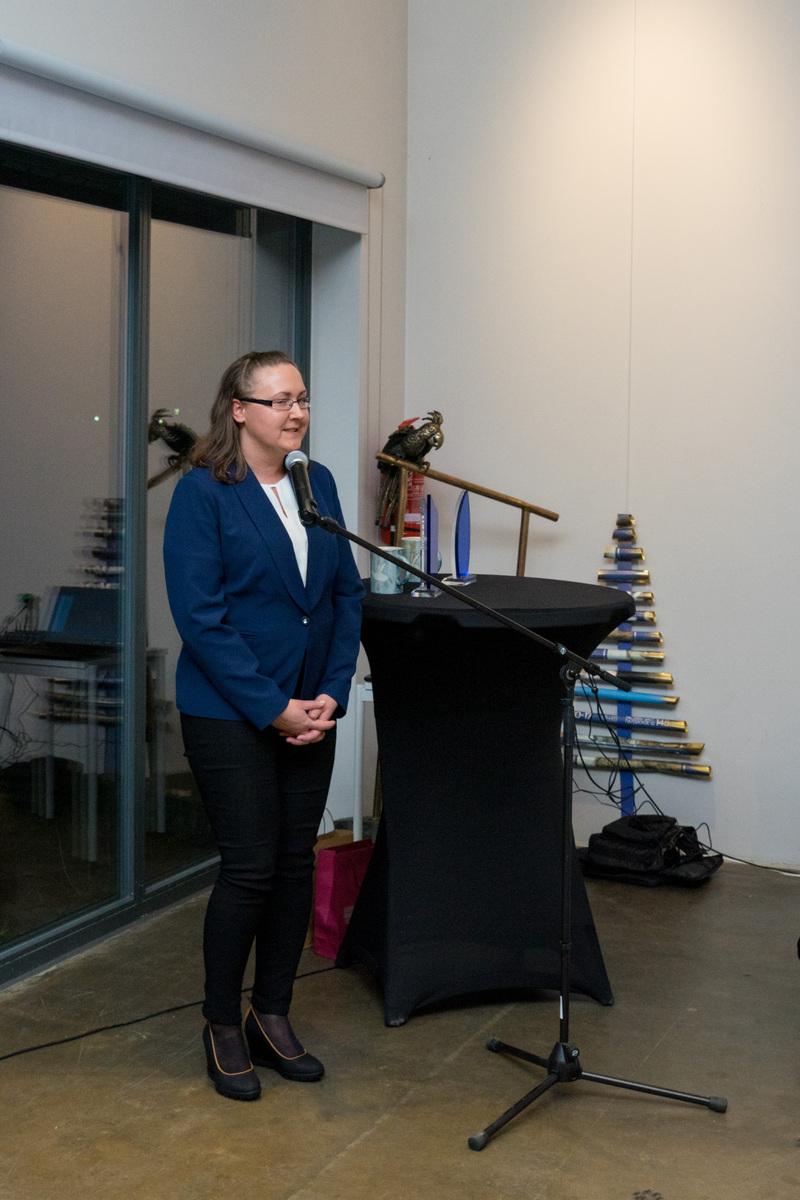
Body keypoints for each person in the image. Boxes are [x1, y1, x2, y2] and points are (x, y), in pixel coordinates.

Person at [164, 350, 363, 1101]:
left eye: (302, 398)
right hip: (230, 713)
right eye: (280, 400)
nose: (296, 412)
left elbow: (343, 596)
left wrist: (332, 693)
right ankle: (221, 1023)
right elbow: (201, 619)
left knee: (293, 864)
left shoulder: (319, 483)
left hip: (311, 708)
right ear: (239, 409)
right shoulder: (203, 493)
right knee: (249, 870)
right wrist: (273, 707)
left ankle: (271, 1014)